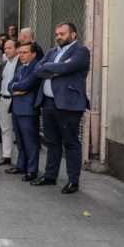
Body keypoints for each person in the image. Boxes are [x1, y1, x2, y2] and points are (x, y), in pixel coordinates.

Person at [31, 23, 90, 194]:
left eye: (62, 34)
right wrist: (55, 70)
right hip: (49, 103)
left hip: (68, 104)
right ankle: (50, 176)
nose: (58, 37)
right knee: (52, 142)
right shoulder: (52, 52)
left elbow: (66, 67)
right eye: (57, 34)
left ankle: (73, 181)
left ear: (74, 34)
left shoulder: (81, 51)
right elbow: (37, 69)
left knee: (70, 143)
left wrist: (51, 68)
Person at [6, 42, 42, 181]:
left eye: (25, 52)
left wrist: (17, 87)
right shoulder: (21, 67)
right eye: (20, 52)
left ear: (33, 54)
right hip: (16, 107)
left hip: (28, 110)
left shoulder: (37, 67)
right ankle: (21, 166)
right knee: (20, 141)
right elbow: (10, 85)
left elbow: (28, 84)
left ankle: (32, 170)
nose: (21, 55)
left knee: (30, 142)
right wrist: (17, 89)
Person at [0, 39, 19, 165]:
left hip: (15, 99)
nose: (6, 51)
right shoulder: (4, 64)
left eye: (10, 48)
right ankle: (6, 155)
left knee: (19, 130)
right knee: (5, 129)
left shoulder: (20, 63)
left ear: (17, 49)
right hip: (3, 98)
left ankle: (22, 160)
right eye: (5, 48)